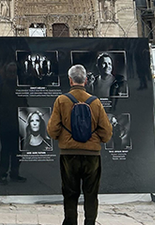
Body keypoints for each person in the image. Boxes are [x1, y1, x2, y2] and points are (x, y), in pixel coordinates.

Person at [48, 64, 113, 225]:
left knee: (70, 192)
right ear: (85, 81)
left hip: (68, 154)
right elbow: (106, 132)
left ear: (70, 80)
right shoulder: (95, 102)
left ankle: (70, 222)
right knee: (91, 193)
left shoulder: (62, 100)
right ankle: (90, 222)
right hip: (92, 155)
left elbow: (52, 130)